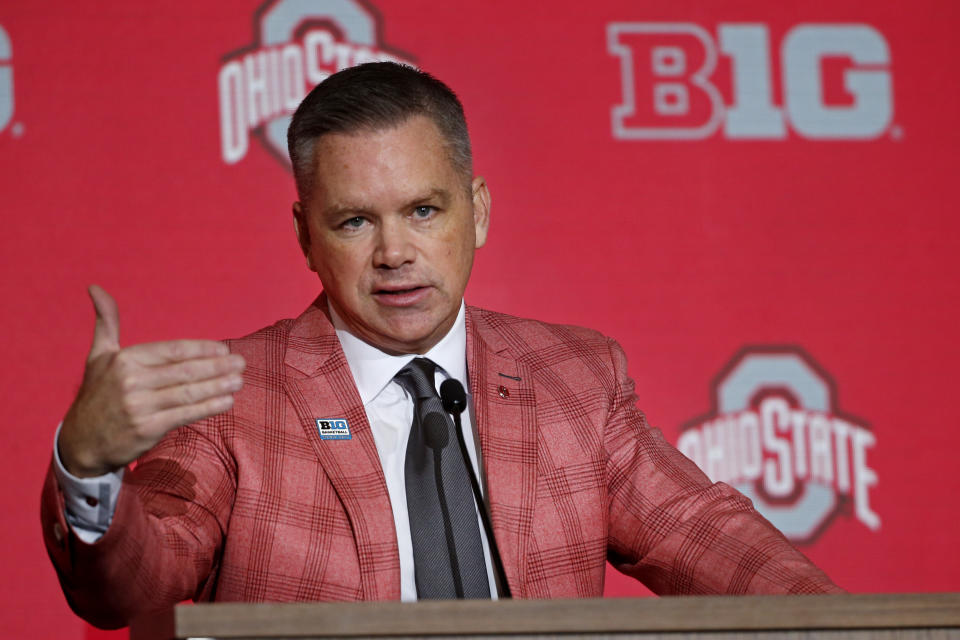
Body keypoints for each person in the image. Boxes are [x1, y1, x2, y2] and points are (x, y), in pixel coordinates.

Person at [41, 62, 840, 630]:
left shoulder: (575, 378)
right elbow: (130, 590)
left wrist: (869, 629)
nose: (395, 253)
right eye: (355, 221)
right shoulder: (232, 395)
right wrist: (89, 464)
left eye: (424, 211)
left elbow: (706, 536)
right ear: (305, 237)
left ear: (478, 212)